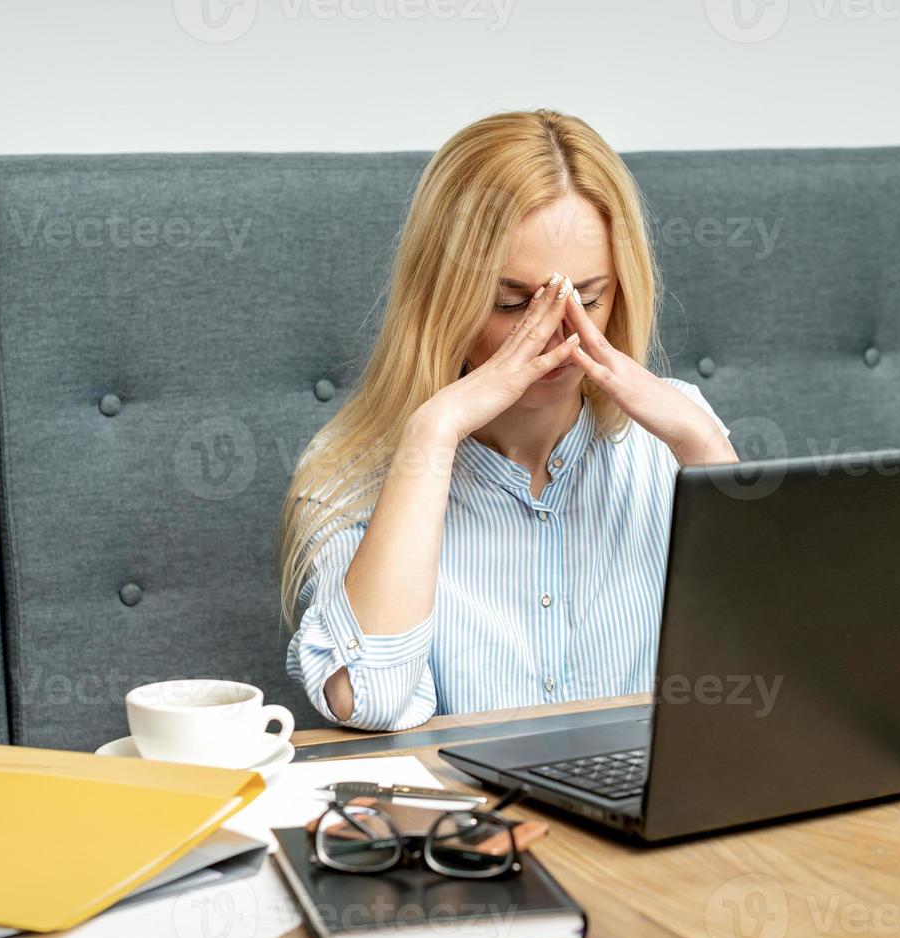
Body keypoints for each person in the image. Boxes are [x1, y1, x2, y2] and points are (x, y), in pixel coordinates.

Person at [279, 109, 737, 730]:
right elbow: (372, 701)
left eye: (589, 298)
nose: (553, 332)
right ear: (445, 299)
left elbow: (788, 674)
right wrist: (432, 434)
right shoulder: (349, 471)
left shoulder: (677, 435)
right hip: (476, 824)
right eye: (512, 303)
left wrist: (705, 446)